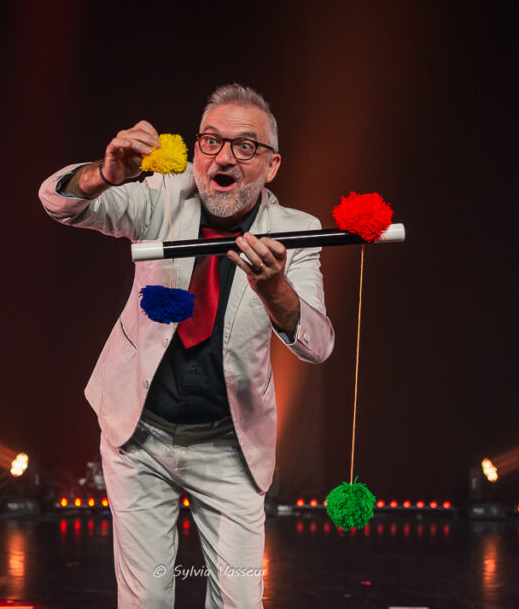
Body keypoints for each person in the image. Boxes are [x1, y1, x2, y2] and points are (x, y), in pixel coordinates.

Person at [39, 84, 334, 608]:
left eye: (245, 147)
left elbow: (317, 344)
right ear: (195, 150)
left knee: (240, 602)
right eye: (210, 142)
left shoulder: (298, 231)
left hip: (229, 447)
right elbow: (58, 203)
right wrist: (104, 175)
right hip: (139, 439)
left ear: (272, 165)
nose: (223, 157)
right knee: (145, 600)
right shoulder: (160, 196)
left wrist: (276, 291)